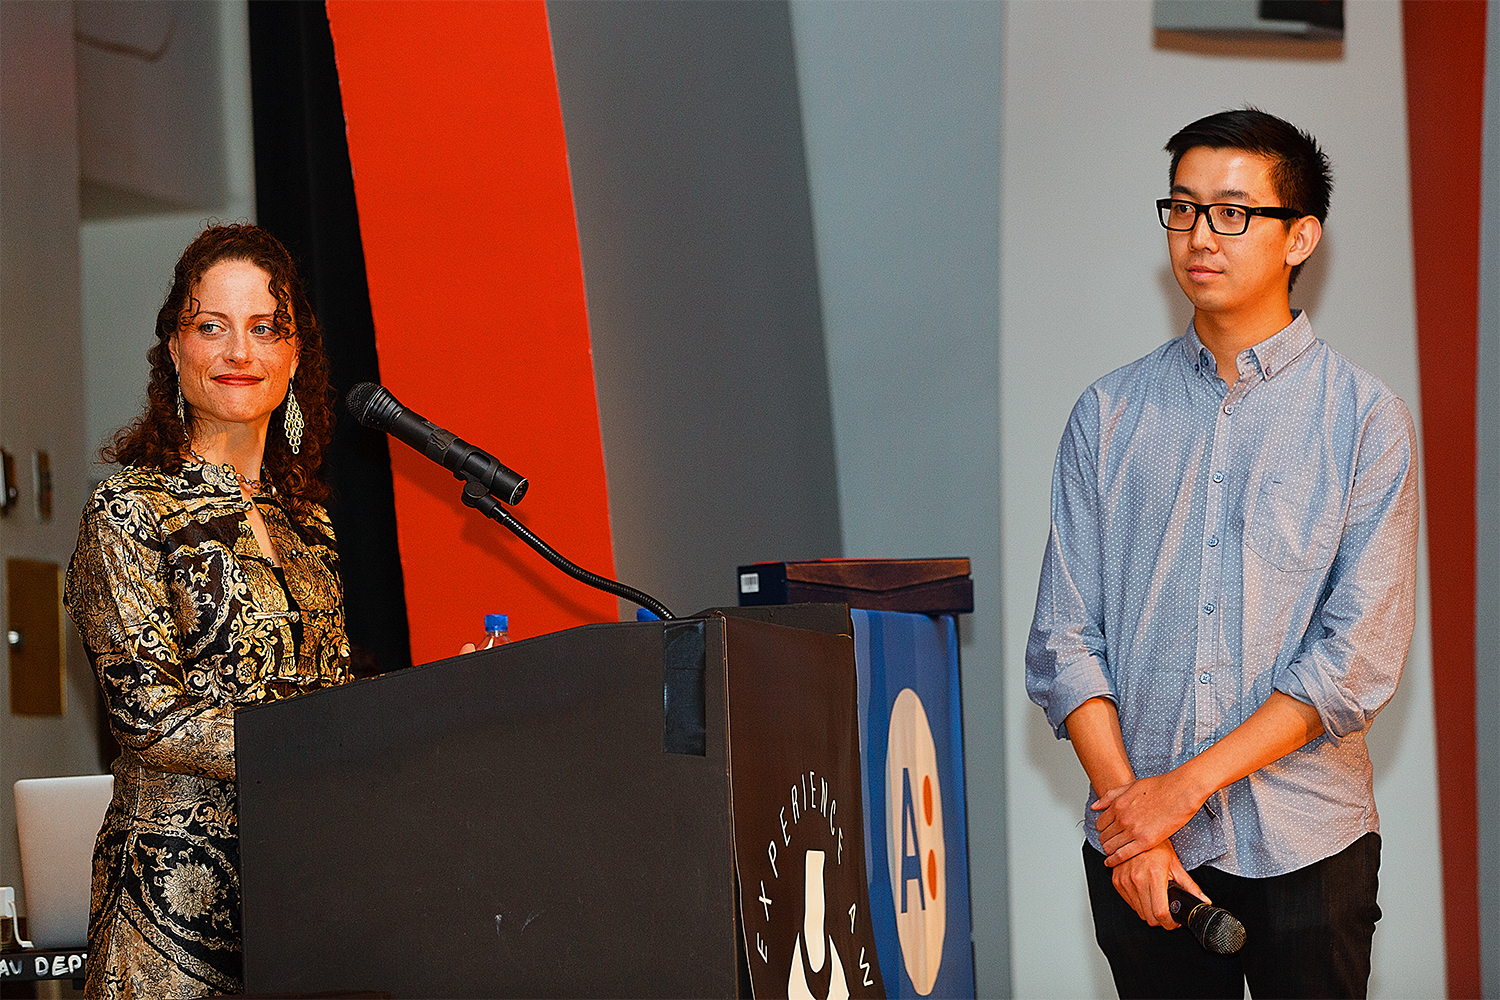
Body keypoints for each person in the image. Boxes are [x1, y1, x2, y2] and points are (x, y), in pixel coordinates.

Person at [1025, 109, 1418, 999]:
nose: (1200, 235)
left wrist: (1181, 790)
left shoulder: (1364, 420)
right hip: (1142, 859)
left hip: (1308, 844)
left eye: (1232, 213)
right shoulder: (1108, 414)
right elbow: (1064, 642)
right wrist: (1138, 821)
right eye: (1183, 208)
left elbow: (1352, 663)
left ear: (1299, 236)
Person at [65, 224, 352, 998]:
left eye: (265, 330)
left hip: (307, 896)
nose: (239, 353)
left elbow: (331, 690)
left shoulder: (308, 523)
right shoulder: (129, 511)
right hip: (171, 919)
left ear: (294, 359)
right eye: (211, 327)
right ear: (174, 348)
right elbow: (150, 719)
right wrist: (340, 737)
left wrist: (411, 713)